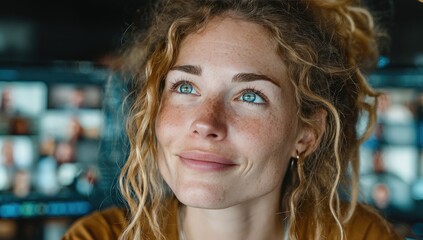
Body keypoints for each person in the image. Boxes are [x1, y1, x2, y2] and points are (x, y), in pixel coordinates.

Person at [63, 0, 402, 239]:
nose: (206, 122)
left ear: (307, 133)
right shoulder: (100, 236)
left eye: (250, 96)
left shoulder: (361, 236)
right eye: (185, 86)